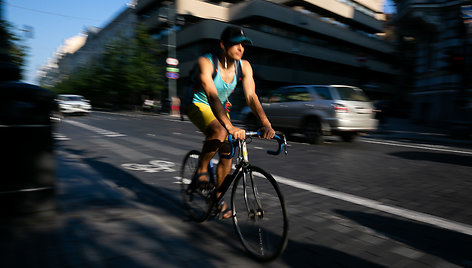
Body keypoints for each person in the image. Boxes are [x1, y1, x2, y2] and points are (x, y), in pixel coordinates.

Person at [185, 26, 275, 219]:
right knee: (220, 131)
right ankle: (201, 170)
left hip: (219, 108)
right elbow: (211, 95)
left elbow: (251, 96)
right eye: (235, 44)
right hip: (197, 103)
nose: (240, 48)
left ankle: (217, 198)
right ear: (223, 45)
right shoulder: (207, 62)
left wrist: (266, 123)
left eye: (243, 44)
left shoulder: (245, 66)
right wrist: (230, 126)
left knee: (228, 151)